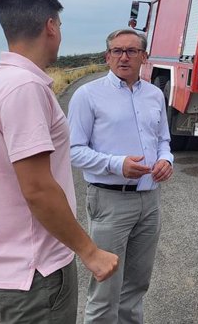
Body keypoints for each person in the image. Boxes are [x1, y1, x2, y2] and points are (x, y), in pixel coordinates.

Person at [0, 0, 119, 324]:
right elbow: (37, 188)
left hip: (13, 268)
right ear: (50, 26)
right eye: (61, 27)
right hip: (38, 274)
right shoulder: (25, 89)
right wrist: (90, 252)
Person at [69, 28, 174, 323]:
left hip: (150, 199)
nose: (123, 57)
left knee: (137, 285)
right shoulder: (87, 96)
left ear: (144, 56)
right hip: (109, 200)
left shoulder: (154, 95)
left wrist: (166, 160)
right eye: (117, 51)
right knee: (105, 290)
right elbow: (73, 151)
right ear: (107, 57)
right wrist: (118, 165)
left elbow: (163, 140)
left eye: (131, 51)